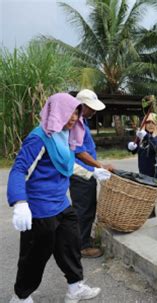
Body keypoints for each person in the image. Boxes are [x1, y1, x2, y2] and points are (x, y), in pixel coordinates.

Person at [7, 93, 103, 303]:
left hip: (62, 205)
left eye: (77, 113)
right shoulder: (39, 138)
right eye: (70, 113)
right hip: (40, 210)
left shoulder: (64, 135)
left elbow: (66, 165)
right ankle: (21, 297)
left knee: (70, 246)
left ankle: (75, 288)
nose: (74, 118)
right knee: (34, 256)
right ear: (57, 111)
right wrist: (20, 202)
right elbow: (19, 170)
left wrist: (92, 173)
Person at [69, 89, 113, 258]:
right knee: (84, 209)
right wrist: (99, 166)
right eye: (91, 108)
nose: (94, 112)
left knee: (86, 206)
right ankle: (82, 246)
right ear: (81, 105)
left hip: (87, 170)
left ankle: (82, 238)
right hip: (81, 172)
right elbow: (80, 152)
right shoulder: (76, 123)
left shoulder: (83, 121)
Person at [127, 113, 157, 215]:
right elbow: (140, 150)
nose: (150, 125)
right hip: (146, 178)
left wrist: (147, 136)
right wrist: (133, 148)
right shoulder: (142, 137)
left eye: (153, 122)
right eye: (148, 122)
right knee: (147, 210)